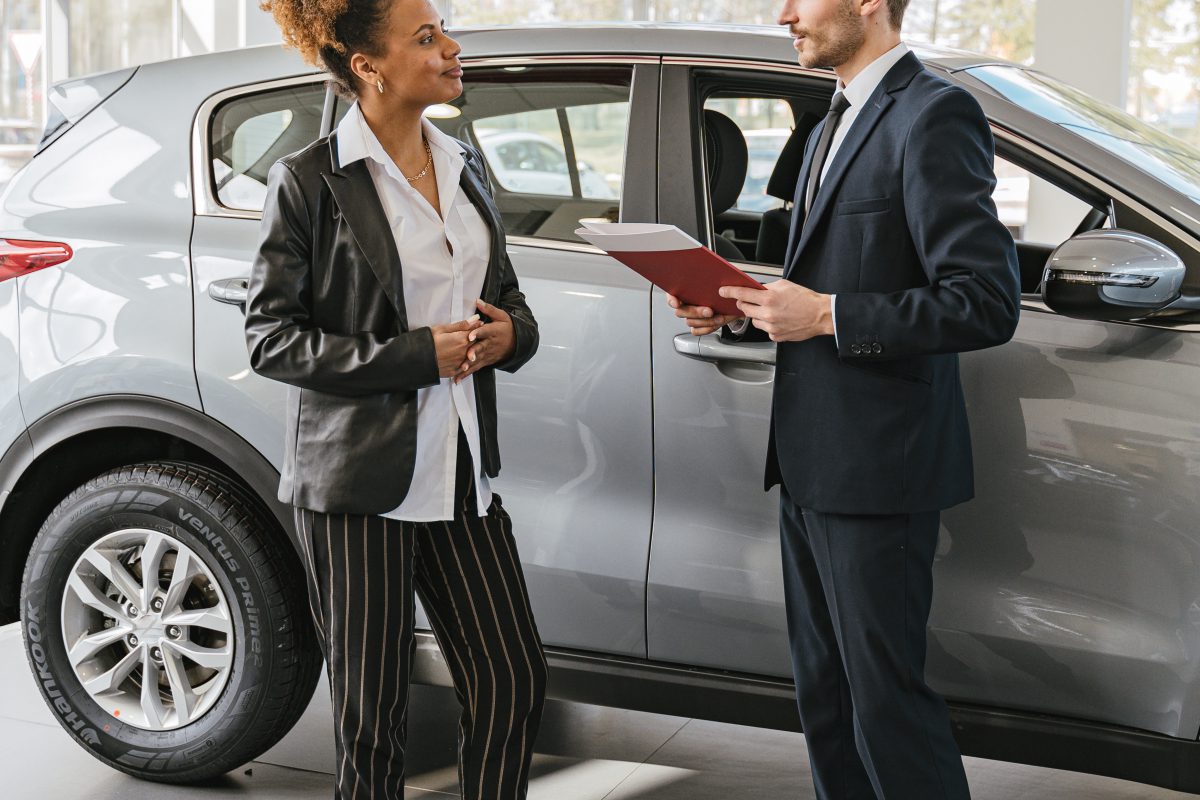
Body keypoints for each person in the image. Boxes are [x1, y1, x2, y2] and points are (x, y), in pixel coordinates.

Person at [670, 0, 1020, 797]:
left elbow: (984, 301)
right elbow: (824, 290)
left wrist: (825, 313)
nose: (784, 12)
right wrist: (742, 312)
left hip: (880, 468)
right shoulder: (831, 121)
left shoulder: (935, 114)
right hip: (809, 458)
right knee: (826, 702)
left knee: (885, 704)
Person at [245, 1, 547, 798]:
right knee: (373, 725)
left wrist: (510, 337)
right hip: (359, 487)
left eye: (443, 31)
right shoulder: (309, 181)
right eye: (426, 38)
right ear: (367, 68)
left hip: (461, 474)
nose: (451, 47)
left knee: (512, 679)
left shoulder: (463, 161)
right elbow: (270, 338)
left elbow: (507, 298)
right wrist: (416, 355)